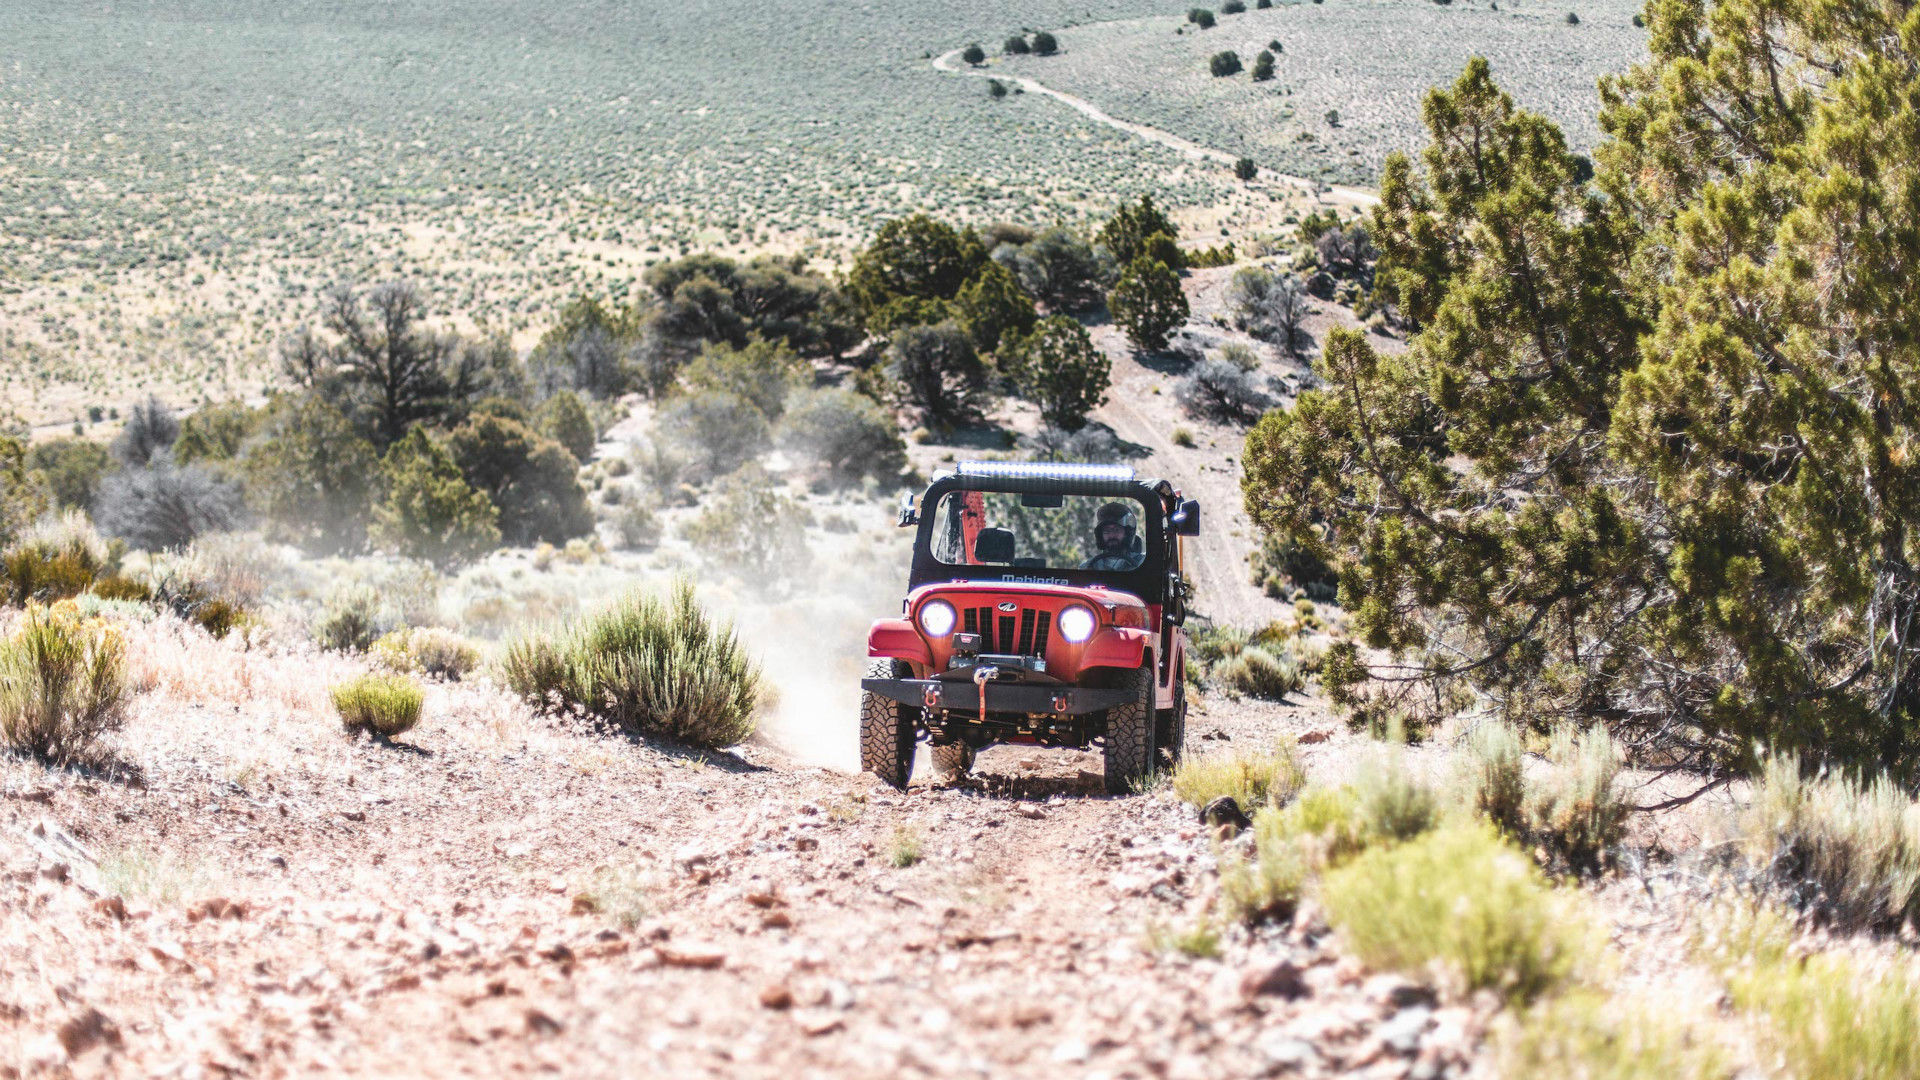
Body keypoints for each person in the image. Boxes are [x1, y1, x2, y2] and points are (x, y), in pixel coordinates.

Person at [1081, 502, 1144, 571]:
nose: (1111, 535)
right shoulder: (1088, 566)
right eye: (1106, 530)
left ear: (1127, 533)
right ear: (1100, 535)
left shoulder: (1142, 563)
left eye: (1116, 530)